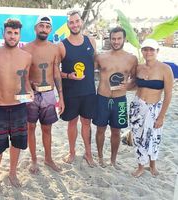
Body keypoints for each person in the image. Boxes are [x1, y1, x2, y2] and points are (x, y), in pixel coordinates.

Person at [0, 18, 32, 188]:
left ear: (20, 34)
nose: (13, 36)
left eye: (16, 33)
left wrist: (30, 91)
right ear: (3, 33)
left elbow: (25, 80)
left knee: (17, 142)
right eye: (10, 33)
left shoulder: (27, 56)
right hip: (1, 107)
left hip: (19, 106)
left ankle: (12, 172)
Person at [22, 15, 64, 173]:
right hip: (31, 95)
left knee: (47, 129)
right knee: (30, 127)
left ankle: (48, 158)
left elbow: (56, 74)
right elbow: (23, 74)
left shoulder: (55, 49)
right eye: (41, 26)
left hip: (48, 95)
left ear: (50, 29)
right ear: (35, 28)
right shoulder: (26, 48)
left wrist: (61, 97)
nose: (44, 29)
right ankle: (33, 160)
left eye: (47, 26)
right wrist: (28, 87)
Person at [93, 27, 138, 168]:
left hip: (120, 100)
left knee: (116, 131)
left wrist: (128, 86)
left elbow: (135, 81)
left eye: (119, 38)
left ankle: (113, 160)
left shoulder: (132, 59)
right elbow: (88, 73)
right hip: (102, 97)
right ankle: (100, 157)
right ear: (109, 39)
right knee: (100, 129)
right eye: (113, 38)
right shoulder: (101, 57)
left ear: (124, 39)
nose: (116, 41)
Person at [129, 38, 173, 178]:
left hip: (154, 109)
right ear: (142, 51)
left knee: (154, 138)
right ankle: (141, 166)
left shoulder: (165, 69)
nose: (148, 52)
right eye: (145, 49)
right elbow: (135, 85)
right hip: (137, 106)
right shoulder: (139, 67)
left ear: (157, 51)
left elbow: (168, 94)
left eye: (151, 49)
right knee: (137, 137)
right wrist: (124, 86)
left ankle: (152, 165)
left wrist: (162, 115)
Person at [58, 10, 97, 167]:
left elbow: (96, 63)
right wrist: (69, 76)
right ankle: (72, 152)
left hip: (88, 91)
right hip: (71, 93)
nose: (74, 24)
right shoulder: (62, 45)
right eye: (71, 22)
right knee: (72, 123)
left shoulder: (91, 41)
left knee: (86, 123)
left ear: (81, 22)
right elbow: (56, 71)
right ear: (68, 24)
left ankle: (88, 153)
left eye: (77, 21)